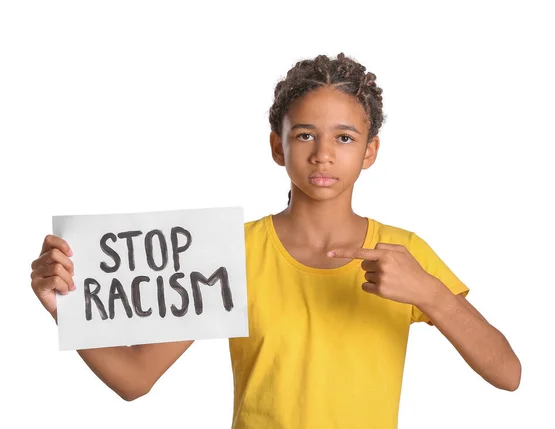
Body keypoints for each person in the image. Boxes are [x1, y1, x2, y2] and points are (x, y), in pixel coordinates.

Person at [30, 52, 521, 429]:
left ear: (370, 151)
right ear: (277, 146)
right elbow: (135, 380)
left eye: (345, 138)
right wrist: (65, 307)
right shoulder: (228, 252)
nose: (324, 154)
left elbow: (507, 373)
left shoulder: (403, 252)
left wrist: (429, 294)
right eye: (305, 135)